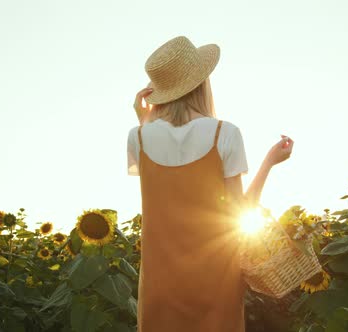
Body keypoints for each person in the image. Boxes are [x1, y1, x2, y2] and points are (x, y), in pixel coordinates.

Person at [127, 36, 293, 332]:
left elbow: (162, 189)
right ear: (202, 83)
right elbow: (239, 212)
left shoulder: (137, 137)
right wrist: (268, 162)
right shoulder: (225, 134)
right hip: (217, 282)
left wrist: (145, 121)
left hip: (159, 286)